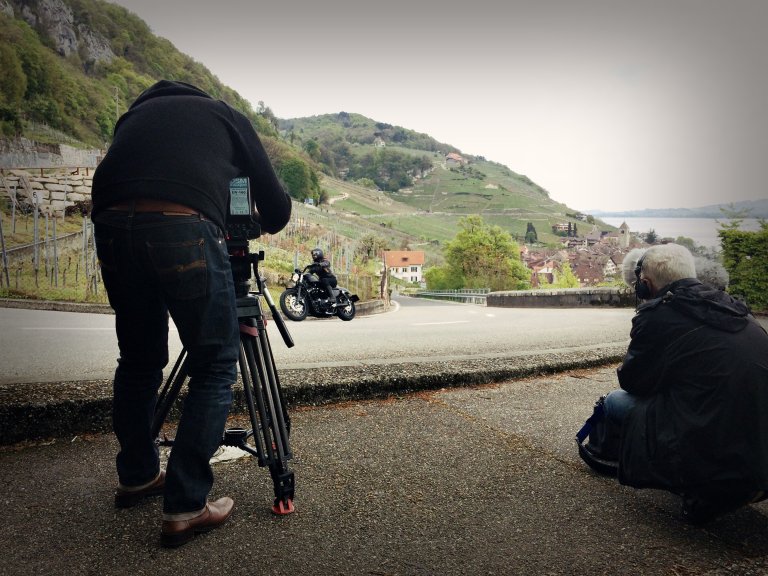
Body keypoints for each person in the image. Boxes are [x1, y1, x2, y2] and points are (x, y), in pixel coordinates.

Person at [91, 80, 292, 547]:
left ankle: (138, 476)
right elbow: (278, 212)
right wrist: (236, 223)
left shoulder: (133, 119)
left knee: (138, 361)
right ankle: (186, 505)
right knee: (215, 364)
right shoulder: (224, 116)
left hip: (112, 228)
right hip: (185, 228)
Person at [583, 243, 768, 523]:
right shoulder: (737, 309)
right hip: (760, 450)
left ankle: (694, 481)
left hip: (713, 450)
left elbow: (634, 382)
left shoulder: (658, 317)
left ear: (644, 285)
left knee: (614, 401)